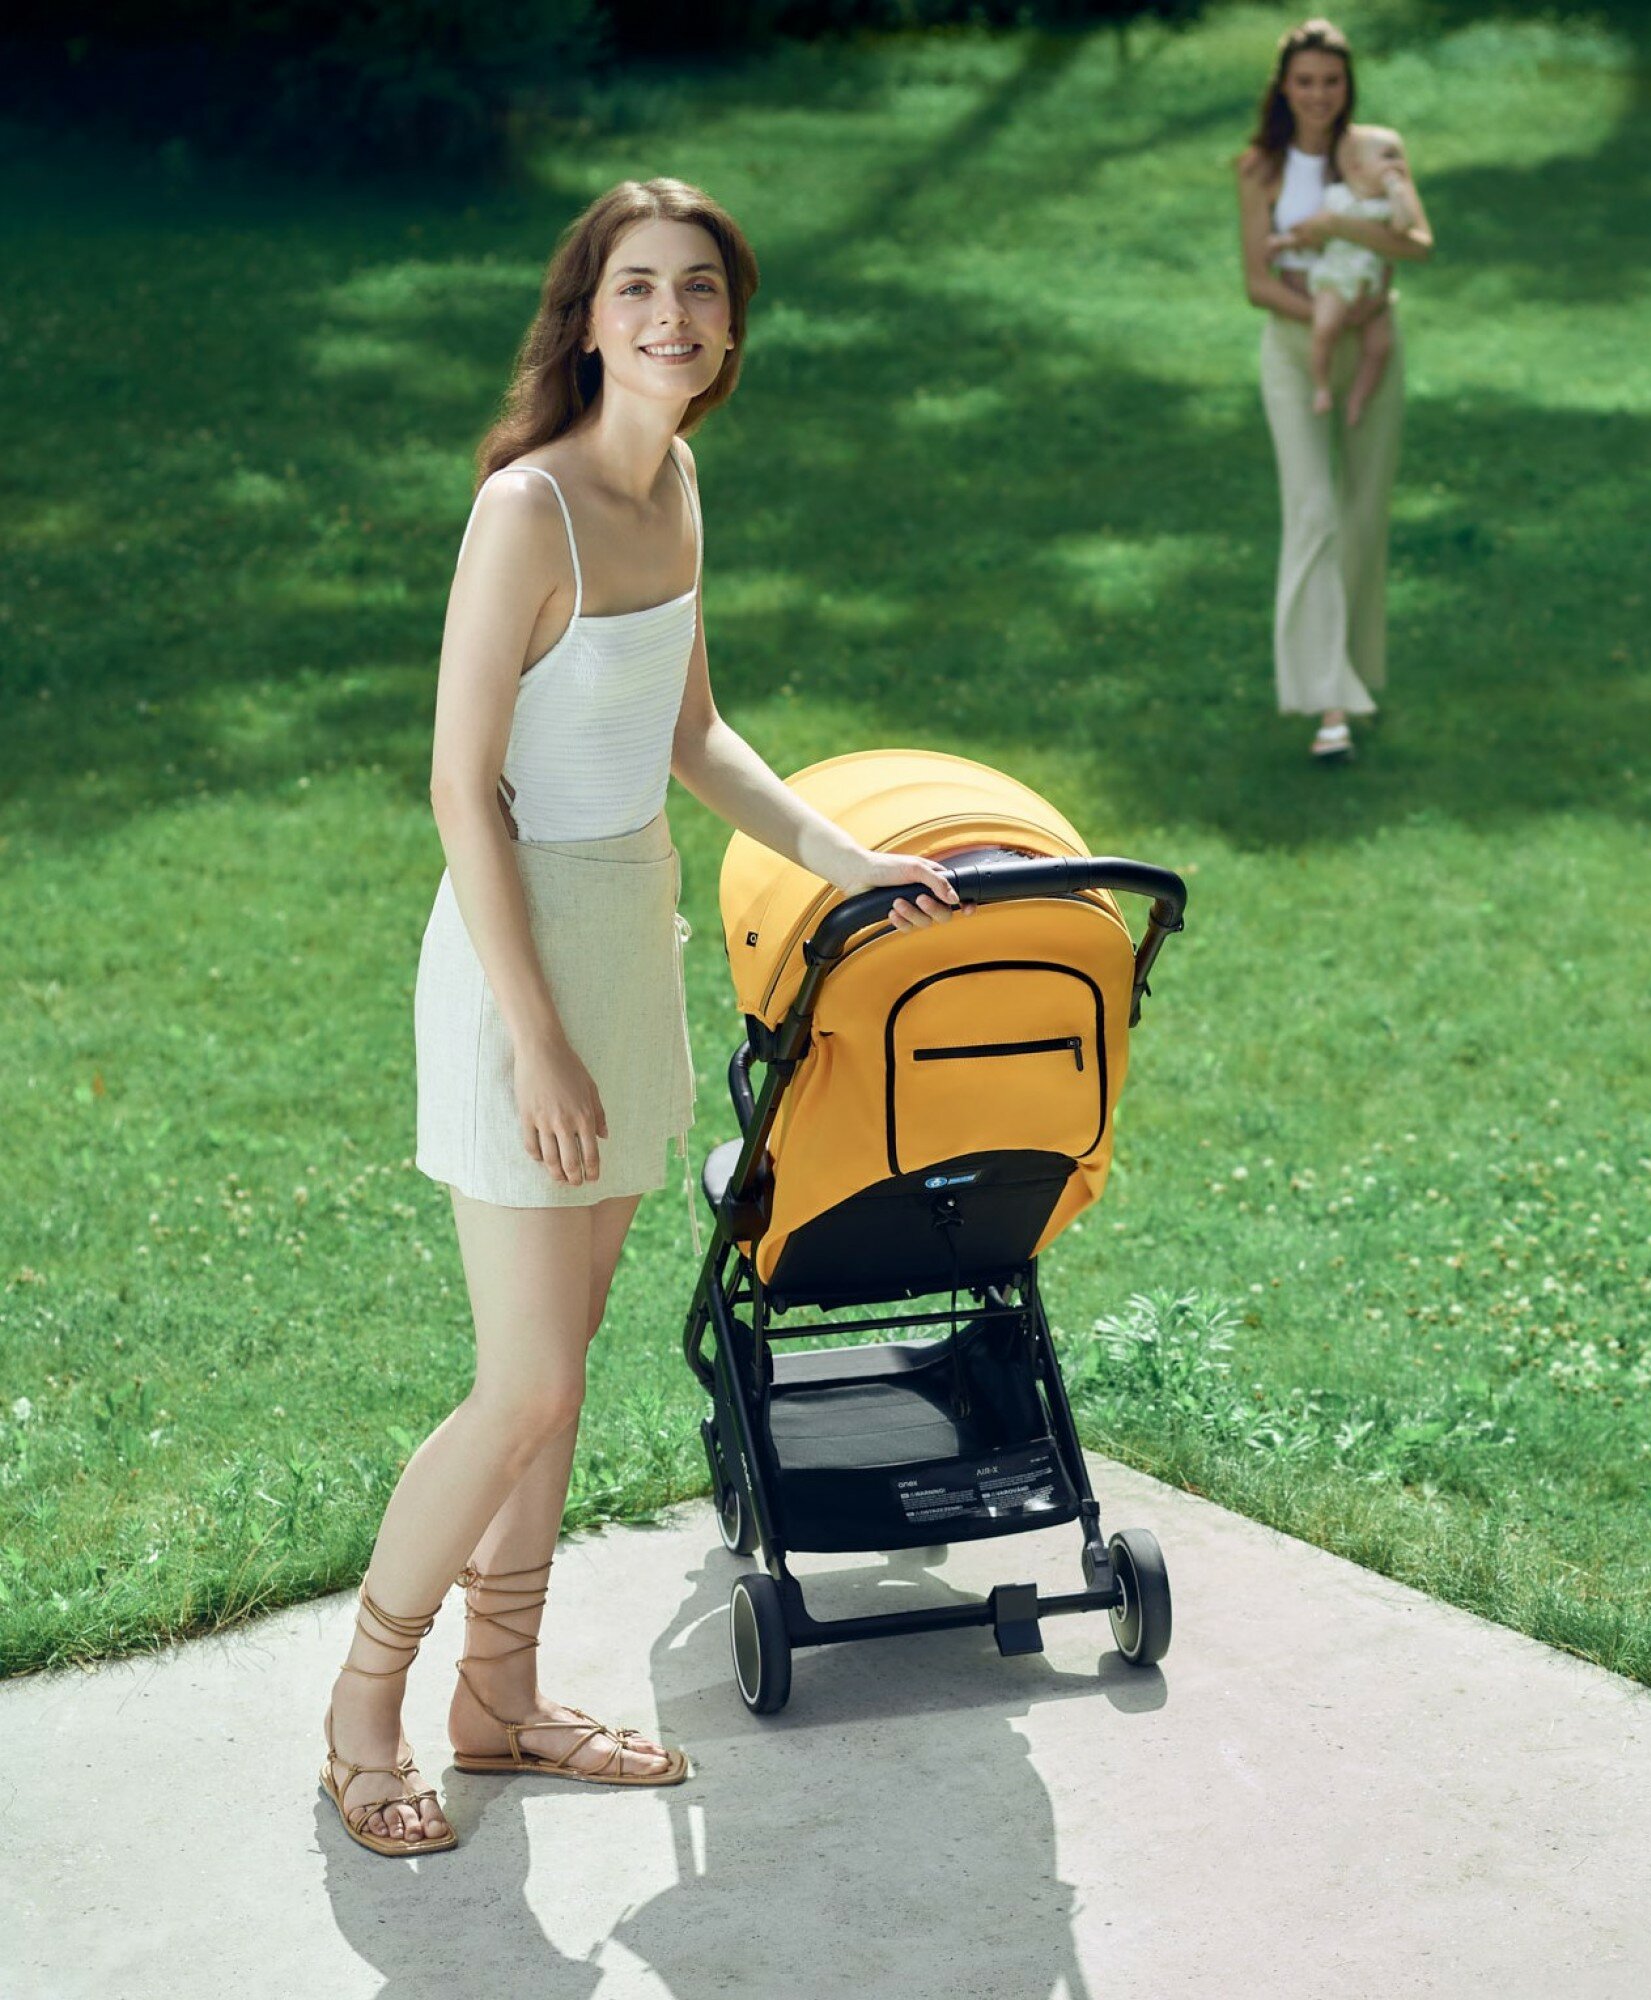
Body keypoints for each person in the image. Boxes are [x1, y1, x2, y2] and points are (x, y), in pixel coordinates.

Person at [320, 177, 964, 1857]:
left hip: (626, 942)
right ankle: (366, 1707)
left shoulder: (674, 483)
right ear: (588, 318)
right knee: (525, 1383)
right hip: (516, 960)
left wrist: (844, 857)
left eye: (699, 288)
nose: (670, 314)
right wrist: (533, 1036)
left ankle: (503, 1698)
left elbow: (693, 733)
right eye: (637, 287)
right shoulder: (524, 509)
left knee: (565, 1368)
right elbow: (461, 788)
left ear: (729, 328)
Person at [1235, 19, 1434, 764]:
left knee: (1362, 515)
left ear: (1347, 85)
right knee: (1313, 510)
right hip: (1298, 351)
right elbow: (1257, 282)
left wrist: (1341, 230)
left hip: (1375, 345)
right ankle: (1328, 707)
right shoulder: (1259, 168)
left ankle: (1352, 674)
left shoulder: (1376, 149)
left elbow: (1418, 242)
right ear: (1284, 87)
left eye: (1331, 81)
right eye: (1305, 81)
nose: (1319, 95)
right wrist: (1327, 315)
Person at [1269, 133, 1420, 428]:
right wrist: (1285, 242)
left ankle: (1358, 399)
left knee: (1379, 348)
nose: (1397, 164)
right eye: (1388, 157)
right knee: (1325, 328)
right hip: (1338, 278)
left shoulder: (1388, 206)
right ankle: (1321, 386)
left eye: (1400, 157)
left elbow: (1405, 227)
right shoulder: (1338, 197)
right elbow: (1313, 231)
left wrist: (1397, 190)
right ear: (1356, 167)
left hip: (1372, 286)